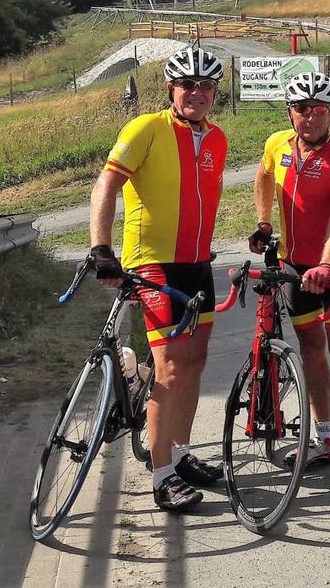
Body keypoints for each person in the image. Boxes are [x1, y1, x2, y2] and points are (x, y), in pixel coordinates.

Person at [89, 46, 228, 511]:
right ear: (172, 88)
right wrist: (101, 249)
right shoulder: (146, 128)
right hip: (154, 265)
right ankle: (162, 474)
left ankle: (182, 453)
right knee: (170, 367)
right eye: (188, 84)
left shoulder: (218, 138)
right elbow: (106, 184)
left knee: (194, 362)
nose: (197, 92)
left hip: (197, 264)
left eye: (206, 85)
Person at [248, 71, 330, 488]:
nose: (310, 117)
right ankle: (325, 437)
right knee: (311, 349)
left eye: (319, 109)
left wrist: (328, 266)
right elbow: (263, 175)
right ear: (290, 112)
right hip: (294, 266)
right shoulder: (276, 145)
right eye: (302, 109)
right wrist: (264, 222)